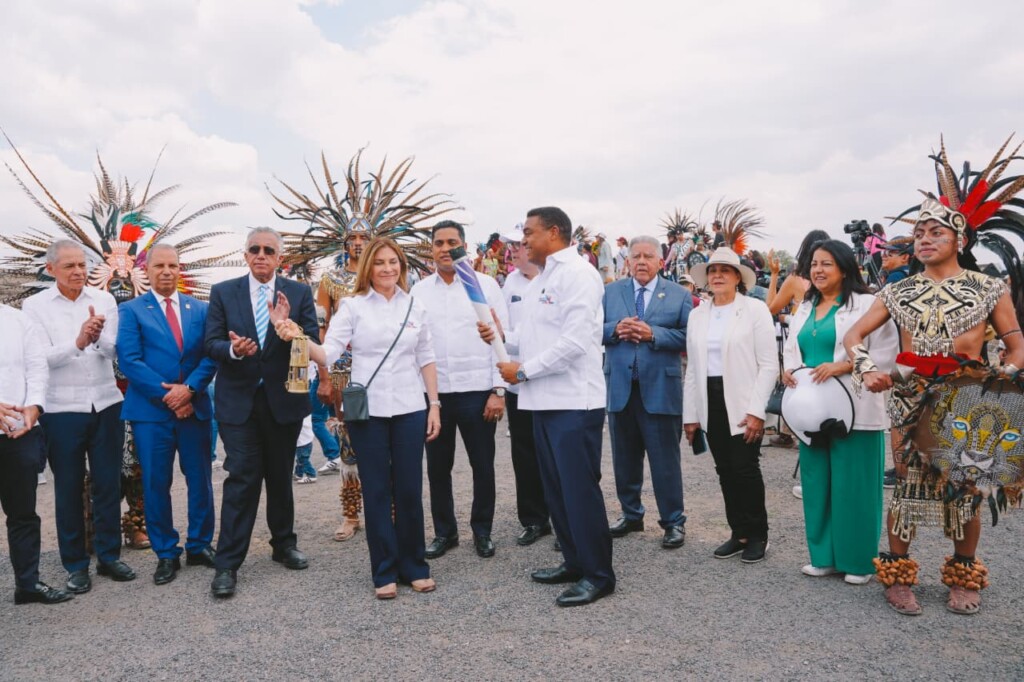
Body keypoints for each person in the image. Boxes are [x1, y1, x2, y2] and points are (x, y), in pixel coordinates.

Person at [845, 187, 1024, 617]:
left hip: (967, 398)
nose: (924, 239)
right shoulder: (897, 292)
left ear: (959, 241)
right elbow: (854, 338)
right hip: (909, 399)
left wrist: (1008, 373)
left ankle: (963, 573)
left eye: (935, 232)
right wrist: (867, 369)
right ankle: (899, 576)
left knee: (965, 489)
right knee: (907, 487)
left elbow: (1015, 343)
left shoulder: (988, 288)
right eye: (919, 233)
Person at [283, 237, 442, 600]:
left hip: (409, 409)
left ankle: (415, 566)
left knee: (408, 490)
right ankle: (384, 571)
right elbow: (328, 353)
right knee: (376, 490)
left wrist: (434, 405)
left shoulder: (415, 306)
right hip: (366, 412)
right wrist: (298, 336)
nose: (388, 268)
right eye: (380, 262)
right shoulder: (352, 307)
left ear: (401, 266)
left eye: (394, 262)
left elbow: (427, 357)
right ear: (368, 266)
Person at [478, 206, 614, 607]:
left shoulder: (579, 275)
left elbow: (574, 343)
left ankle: (598, 574)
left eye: (529, 233)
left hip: (574, 401)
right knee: (556, 490)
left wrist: (522, 372)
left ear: (554, 233)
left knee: (578, 491)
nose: (523, 241)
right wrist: (504, 335)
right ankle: (574, 561)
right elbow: (534, 335)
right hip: (543, 402)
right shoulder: (541, 280)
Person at [204, 227, 320, 598]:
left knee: (280, 476)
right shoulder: (224, 292)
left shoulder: (299, 293)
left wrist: (288, 328)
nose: (261, 255)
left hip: (283, 401)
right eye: (254, 249)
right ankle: (227, 564)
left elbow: (312, 343)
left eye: (268, 250)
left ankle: (283, 544)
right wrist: (235, 350)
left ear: (279, 257)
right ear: (245, 254)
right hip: (238, 403)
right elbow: (212, 343)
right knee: (241, 478)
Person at [781, 240, 898, 584]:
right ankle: (824, 557)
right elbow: (793, 348)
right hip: (810, 410)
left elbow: (885, 356)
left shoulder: (867, 304)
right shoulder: (805, 306)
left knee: (855, 487)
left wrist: (844, 366)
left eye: (826, 264)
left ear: (845, 268)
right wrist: (789, 370)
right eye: (814, 264)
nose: (817, 270)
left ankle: (859, 561)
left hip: (855, 408)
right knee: (817, 484)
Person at [23, 240, 136, 594]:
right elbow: (40, 359)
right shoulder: (35, 306)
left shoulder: (102, 300)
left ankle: (109, 556)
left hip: (104, 403)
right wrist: (78, 342)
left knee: (108, 484)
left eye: (82, 265)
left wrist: (98, 337)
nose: (77, 272)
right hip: (61, 410)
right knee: (69, 489)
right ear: (51, 269)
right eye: (69, 266)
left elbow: (112, 349)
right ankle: (75, 564)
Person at [115, 243, 218, 585]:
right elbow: (130, 361)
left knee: (199, 479)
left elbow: (210, 355)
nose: (167, 271)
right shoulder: (131, 310)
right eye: (160, 265)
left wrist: (188, 391)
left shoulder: (199, 309)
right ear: (147, 270)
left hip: (195, 408)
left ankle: (200, 544)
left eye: (172, 265)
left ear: (179, 268)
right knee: (156, 482)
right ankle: (166, 552)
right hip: (151, 414)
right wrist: (171, 397)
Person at [412, 220, 509, 560]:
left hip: (478, 391)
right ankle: (445, 533)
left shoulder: (484, 285)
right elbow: (415, 346)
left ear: (464, 246)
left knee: (483, 465)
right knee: (438, 468)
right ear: (431, 248)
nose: (444, 248)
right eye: (438, 242)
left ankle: (482, 531)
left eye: (452, 241)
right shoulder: (420, 291)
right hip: (436, 395)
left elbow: (501, 336)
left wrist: (499, 390)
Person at [683, 247, 778, 563]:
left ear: (738, 277)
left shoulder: (753, 309)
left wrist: (756, 410)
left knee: (745, 468)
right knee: (724, 469)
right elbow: (693, 369)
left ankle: (757, 534)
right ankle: (738, 533)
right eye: (713, 271)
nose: (718, 276)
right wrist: (691, 415)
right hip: (709, 399)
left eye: (725, 270)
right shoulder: (698, 313)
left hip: (741, 396)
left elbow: (768, 365)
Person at [603, 236, 692, 549]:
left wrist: (653, 333)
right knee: (624, 459)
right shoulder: (609, 292)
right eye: (635, 256)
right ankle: (631, 514)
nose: (641, 261)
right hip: (620, 388)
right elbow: (589, 328)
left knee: (665, 460)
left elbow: (687, 337)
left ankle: (673, 521)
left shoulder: (680, 295)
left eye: (648, 256)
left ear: (660, 262)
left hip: (660, 389)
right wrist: (615, 330)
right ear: (627, 261)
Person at [0, 303, 74, 605]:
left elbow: (36, 368)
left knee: (23, 513)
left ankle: (27, 584)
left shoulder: (17, 320)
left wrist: (34, 406)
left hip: (18, 432)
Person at [312, 231, 367, 540]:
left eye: (364, 237)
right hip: (343, 372)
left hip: (380, 372)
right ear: (345, 243)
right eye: (353, 237)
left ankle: (389, 508)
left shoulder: (383, 274)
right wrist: (324, 375)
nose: (358, 242)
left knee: (384, 441)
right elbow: (321, 329)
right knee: (348, 443)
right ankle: (350, 513)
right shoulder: (330, 281)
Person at [500, 224, 551, 546]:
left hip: (552, 382)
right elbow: (503, 334)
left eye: (517, 245)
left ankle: (565, 517)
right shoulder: (508, 285)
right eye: (510, 247)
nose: (512, 252)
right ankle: (533, 519)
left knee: (558, 454)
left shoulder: (554, 280)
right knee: (525, 454)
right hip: (518, 384)